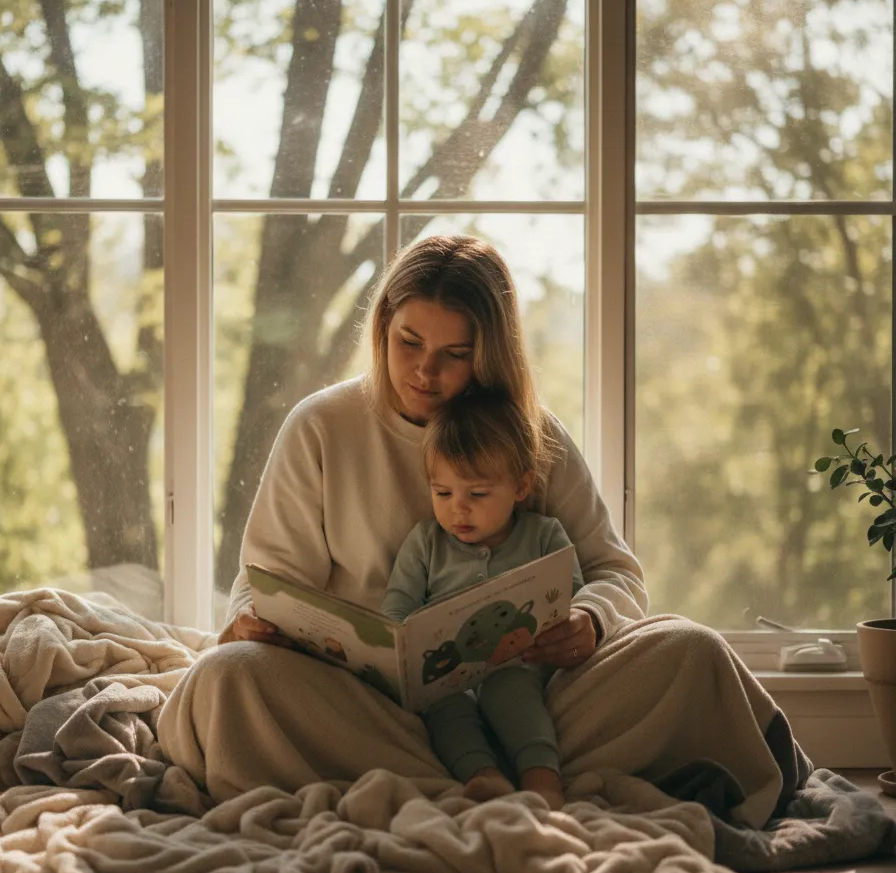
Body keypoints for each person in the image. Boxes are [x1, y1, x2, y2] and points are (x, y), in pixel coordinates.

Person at [158, 234, 807, 828]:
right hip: (366, 711)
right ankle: (497, 787)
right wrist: (251, 622)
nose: (423, 372)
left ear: (489, 353)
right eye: (408, 342)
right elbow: (266, 584)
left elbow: (616, 572)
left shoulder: (533, 432)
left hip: (528, 704)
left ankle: (461, 785)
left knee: (690, 648)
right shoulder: (320, 426)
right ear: (382, 326)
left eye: (454, 355)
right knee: (229, 679)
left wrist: (589, 621)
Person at [381, 385, 585, 809]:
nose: (458, 509)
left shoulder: (544, 534)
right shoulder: (425, 544)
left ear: (520, 486)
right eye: (442, 493)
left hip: (522, 665)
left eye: (476, 494)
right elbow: (398, 608)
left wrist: (571, 621)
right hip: (446, 674)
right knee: (444, 708)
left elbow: (575, 596)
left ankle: (542, 778)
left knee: (506, 689)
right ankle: (483, 775)